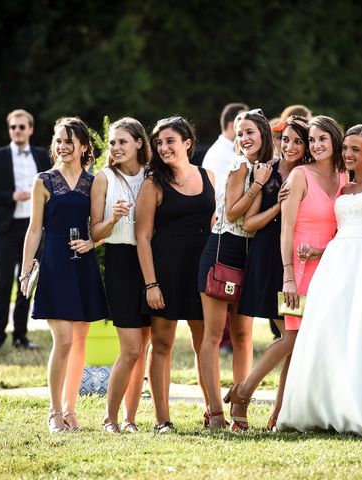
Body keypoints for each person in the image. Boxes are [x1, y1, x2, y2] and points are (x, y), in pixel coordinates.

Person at [278, 124, 362, 435]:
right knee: (328, 335)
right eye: (347, 149)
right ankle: (320, 404)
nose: (349, 154)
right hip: (334, 264)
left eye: (356, 148)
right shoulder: (336, 183)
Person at [20, 117, 108, 433]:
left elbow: (98, 226)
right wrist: (26, 270)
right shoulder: (42, 181)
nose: (63, 147)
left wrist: (92, 241)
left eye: (69, 141)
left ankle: (71, 411)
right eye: (58, 140)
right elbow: (33, 231)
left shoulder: (94, 181)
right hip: (55, 263)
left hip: (82, 264)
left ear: (84, 146)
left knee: (81, 338)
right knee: (65, 339)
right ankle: (54, 412)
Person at [136, 116, 214, 434]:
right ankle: (162, 420)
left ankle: (214, 411)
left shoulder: (207, 175)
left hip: (201, 272)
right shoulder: (152, 184)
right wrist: (151, 284)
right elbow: (142, 237)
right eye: (159, 142)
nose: (164, 147)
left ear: (187, 143)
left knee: (204, 343)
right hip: (165, 272)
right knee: (163, 344)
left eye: (170, 141)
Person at [232, 115, 308, 431]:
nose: (289, 146)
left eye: (297, 141)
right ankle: (247, 392)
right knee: (290, 335)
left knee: (295, 339)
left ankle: (278, 411)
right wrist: (277, 206)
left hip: (301, 259)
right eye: (285, 139)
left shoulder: (312, 174)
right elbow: (247, 223)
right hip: (271, 257)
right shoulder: (268, 171)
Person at [198, 109, 273, 430]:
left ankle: (239, 408)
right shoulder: (240, 166)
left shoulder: (266, 167)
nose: (243, 138)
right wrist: (257, 187)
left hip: (249, 255)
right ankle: (214, 409)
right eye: (240, 133)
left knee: (244, 335)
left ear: (263, 136)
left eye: (250, 132)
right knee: (214, 335)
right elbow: (233, 213)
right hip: (222, 250)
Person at [90, 117, 151, 433]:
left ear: (139, 143)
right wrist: (112, 219)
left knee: (144, 347)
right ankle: (109, 418)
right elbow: (95, 233)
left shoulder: (154, 178)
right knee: (130, 348)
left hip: (152, 262)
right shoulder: (103, 179)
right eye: (112, 142)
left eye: (122, 141)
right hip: (120, 261)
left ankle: (130, 419)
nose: (114, 147)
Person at [0, 109, 51, 352]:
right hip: (7, 227)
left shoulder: (42, 156)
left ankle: (21, 335)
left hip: (35, 227)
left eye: (22, 127)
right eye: (13, 127)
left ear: (30, 129)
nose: (17, 131)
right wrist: (10, 195)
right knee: (3, 282)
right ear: (9, 130)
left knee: (27, 280)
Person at [201, 102, 248, 354]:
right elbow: (223, 202)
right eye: (242, 131)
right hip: (223, 232)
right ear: (232, 125)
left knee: (243, 328)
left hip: (239, 234)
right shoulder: (222, 156)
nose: (244, 137)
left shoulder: (233, 154)